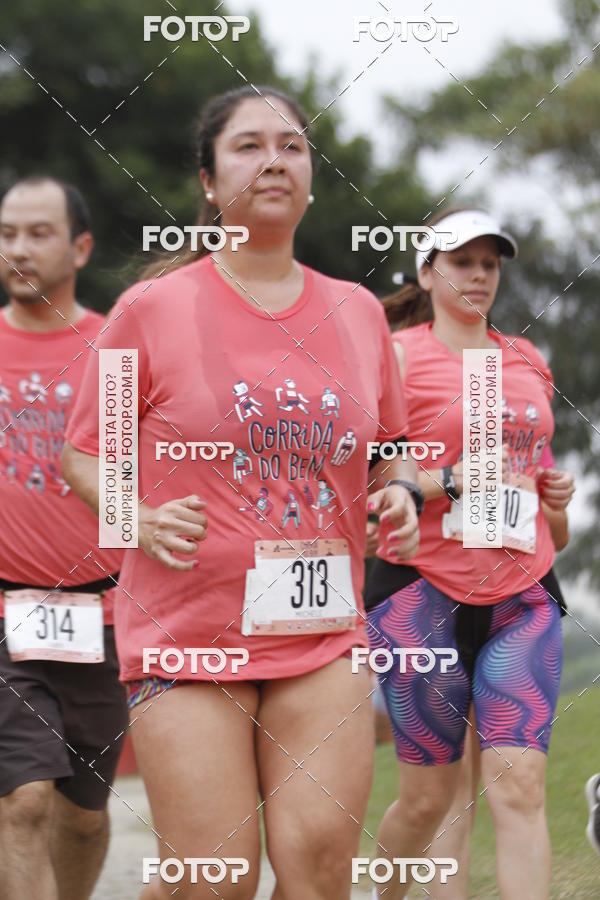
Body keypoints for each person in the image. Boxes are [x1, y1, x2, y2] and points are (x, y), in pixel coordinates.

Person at [61, 85, 422, 900]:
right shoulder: (148, 311)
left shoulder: (359, 313)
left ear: (311, 176)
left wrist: (401, 492)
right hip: (188, 638)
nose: (274, 161)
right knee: (217, 880)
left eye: (292, 146)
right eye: (249, 146)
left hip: (321, 633)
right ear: (208, 178)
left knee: (320, 869)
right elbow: (85, 454)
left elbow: (392, 450)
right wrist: (135, 518)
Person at [364, 208, 572, 900]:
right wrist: (451, 479)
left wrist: (556, 500)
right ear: (427, 273)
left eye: (489, 263)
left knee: (521, 783)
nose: (479, 275)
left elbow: (540, 494)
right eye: (461, 262)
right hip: (421, 593)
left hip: (523, 592)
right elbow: (369, 487)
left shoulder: (526, 360)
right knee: (433, 798)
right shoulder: (397, 356)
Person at [0, 176, 127, 900]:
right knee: (23, 802)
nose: (18, 249)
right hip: (5, 615)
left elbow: (140, 480)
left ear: (80, 248)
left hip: (102, 616)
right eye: (7, 233)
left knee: (81, 816)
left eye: (38, 233)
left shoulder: (114, 351)